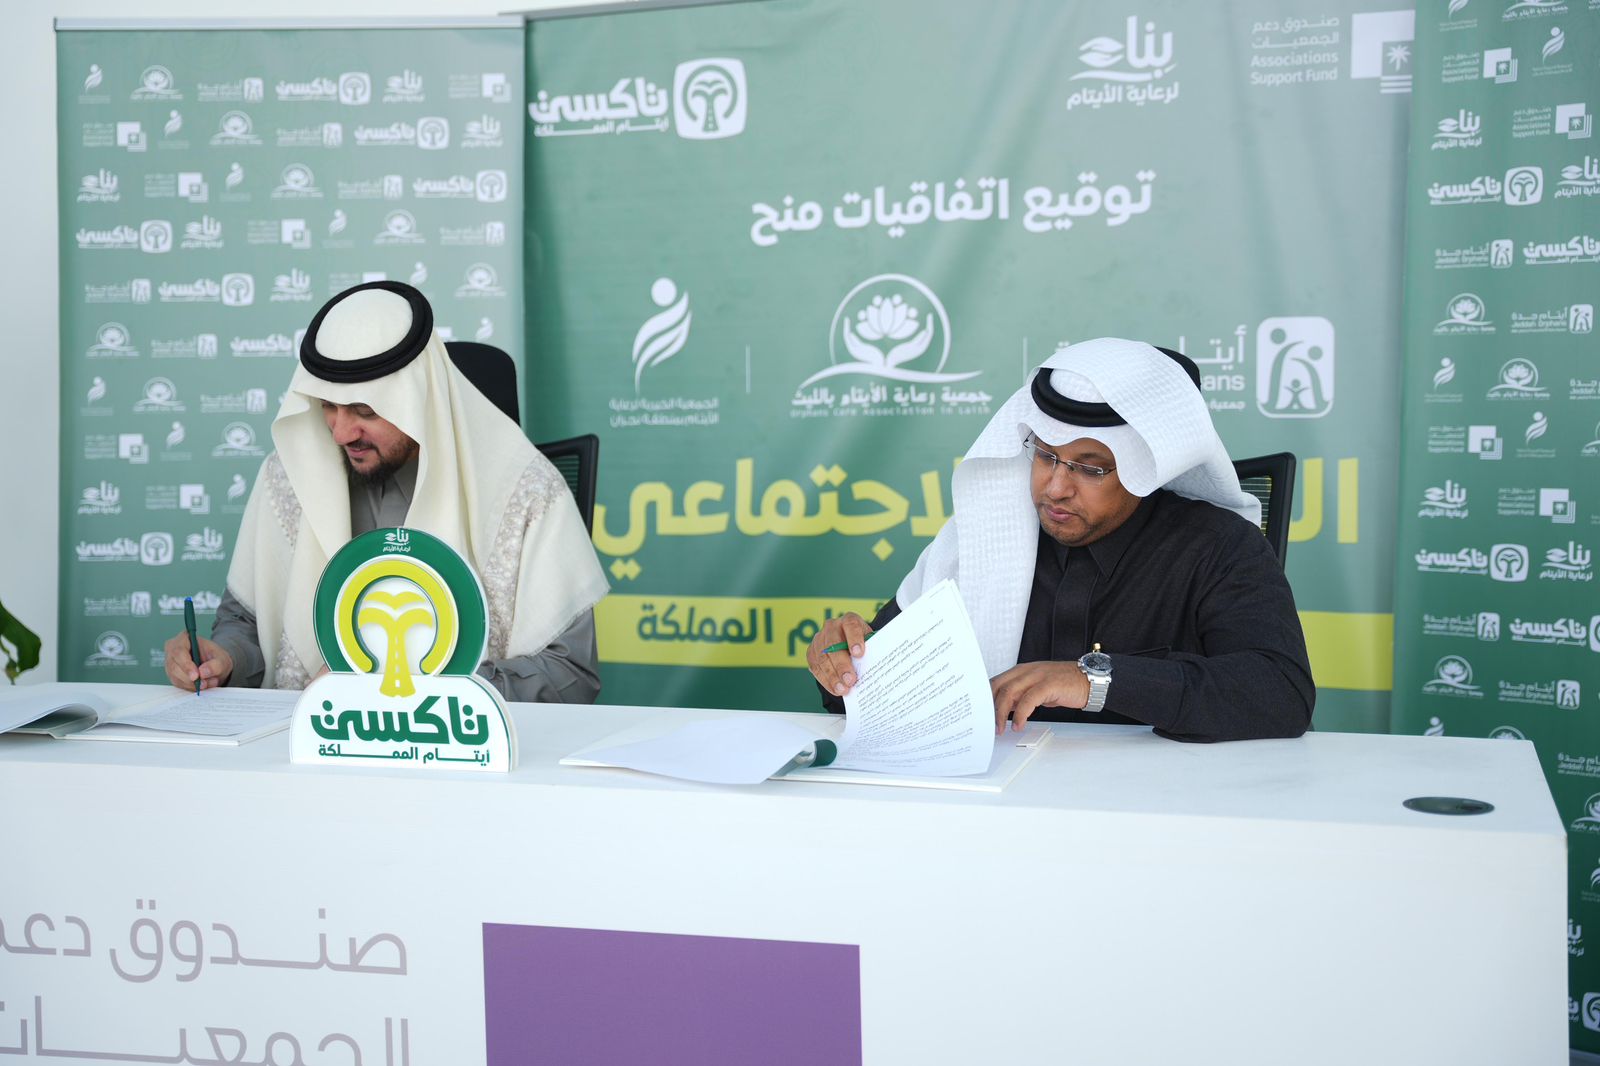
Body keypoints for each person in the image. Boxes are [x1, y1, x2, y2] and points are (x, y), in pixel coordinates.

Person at [806, 337, 1314, 742]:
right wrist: (843, 665)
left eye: (1090, 469)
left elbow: (1281, 694)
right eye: (1046, 455)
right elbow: (870, 688)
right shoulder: (983, 534)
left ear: (1149, 468)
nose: (1055, 488)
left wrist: (1094, 680)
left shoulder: (1219, 546)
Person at [163, 280, 610, 702]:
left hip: (459, 747)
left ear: (418, 400)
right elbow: (247, 621)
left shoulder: (524, 491)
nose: (341, 433)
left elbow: (569, 673)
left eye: (364, 411)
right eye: (328, 407)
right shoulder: (290, 477)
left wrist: (404, 687)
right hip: (308, 746)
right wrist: (225, 659)